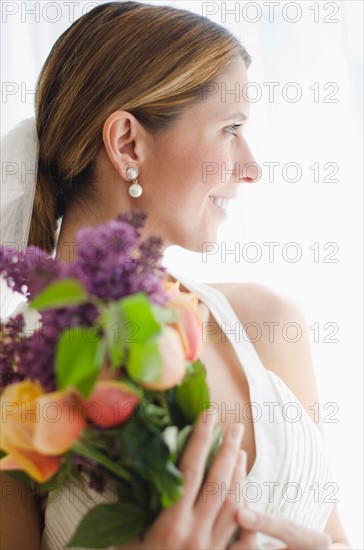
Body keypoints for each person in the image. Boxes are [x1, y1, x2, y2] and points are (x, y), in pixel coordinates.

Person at [0, 2, 351, 549]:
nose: (252, 167)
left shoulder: (268, 323)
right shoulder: (15, 370)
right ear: (127, 144)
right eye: (231, 129)